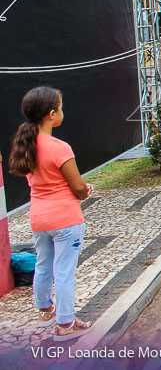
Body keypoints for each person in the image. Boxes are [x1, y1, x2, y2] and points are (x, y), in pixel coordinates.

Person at [8, 86, 93, 341]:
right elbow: (77, 188)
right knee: (65, 270)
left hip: (39, 218)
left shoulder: (26, 145)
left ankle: (45, 311)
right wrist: (85, 190)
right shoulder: (59, 148)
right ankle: (66, 324)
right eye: (61, 108)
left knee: (43, 265)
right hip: (65, 219)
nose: (62, 112)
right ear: (52, 114)